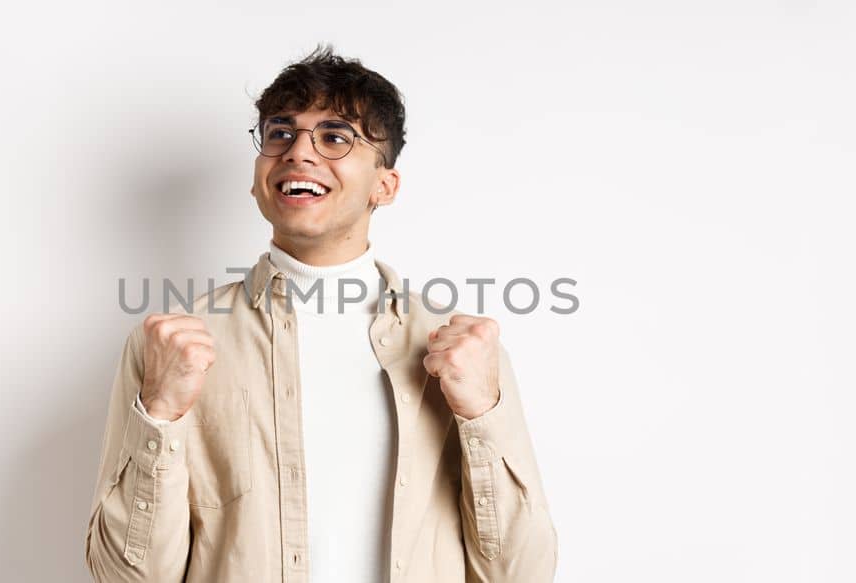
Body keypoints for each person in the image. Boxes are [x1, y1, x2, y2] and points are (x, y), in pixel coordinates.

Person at [84, 44, 557, 582]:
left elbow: (521, 573)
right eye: (280, 133)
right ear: (259, 174)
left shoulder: (461, 349)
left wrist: (480, 413)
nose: (298, 152)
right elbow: (125, 576)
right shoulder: (172, 344)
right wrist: (161, 413)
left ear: (385, 185)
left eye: (335, 137)